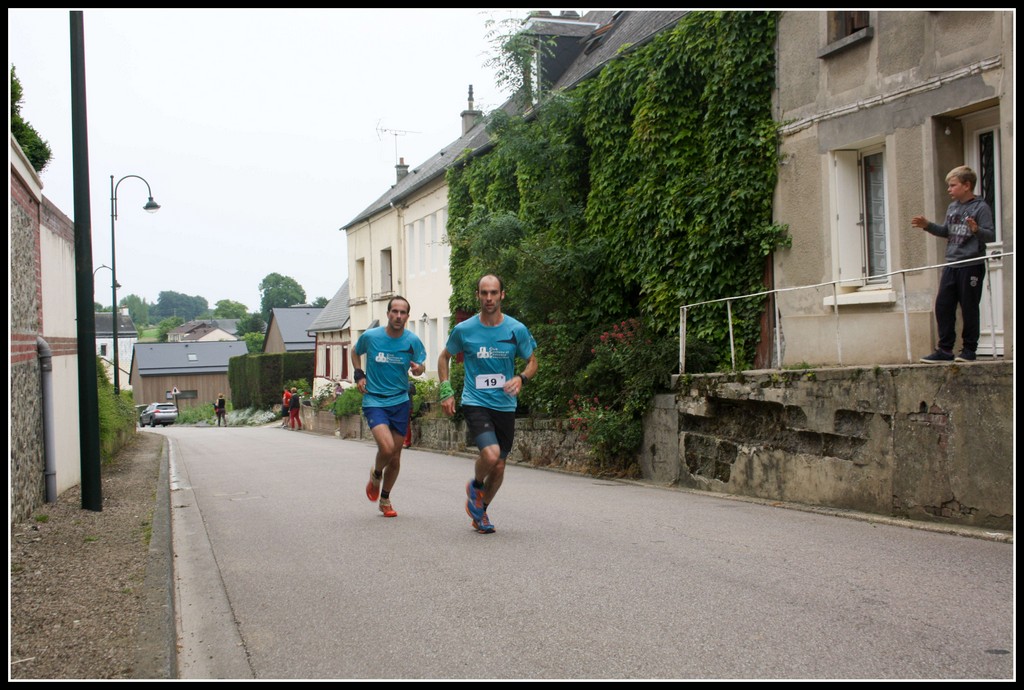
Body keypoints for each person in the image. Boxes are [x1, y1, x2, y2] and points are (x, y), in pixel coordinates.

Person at [437, 274, 537, 534]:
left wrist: (521, 378)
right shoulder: (464, 330)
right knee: (491, 455)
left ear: (502, 295)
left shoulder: (516, 329)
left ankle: (480, 511)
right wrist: (446, 390)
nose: (489, 298)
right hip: (476, 401)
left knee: (500, 466)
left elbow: (532, 361)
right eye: (484, 293)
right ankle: (476, 485)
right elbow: (444, 357)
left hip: (505, 405)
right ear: (478, 296)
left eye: (494, 292)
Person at [912, 165, 995, 363]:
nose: (949, 189)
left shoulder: (980, 207)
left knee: (969, 307)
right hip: (951, 264)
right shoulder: (952, 207)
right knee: (943, 306)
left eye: (952, 185)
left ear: (967, 185)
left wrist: (976, 230)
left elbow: (991, 235)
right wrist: (928, 226)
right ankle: (945, 349)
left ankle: (969, 350)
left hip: (971, 264)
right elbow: (946, 232)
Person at [352, 296, 426, 518]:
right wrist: (359, 374)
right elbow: (355, 351)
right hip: (375, 400)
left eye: (403, 313)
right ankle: (376, 474)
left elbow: (421, 365)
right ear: (388, 314)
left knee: (395, 457)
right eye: (395, 311)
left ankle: (385, 499)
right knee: (387, 448)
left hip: (400, 401)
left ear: (407, 316)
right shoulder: (371, 337)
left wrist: (418, 369)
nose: (398, 316)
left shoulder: (412, 341)